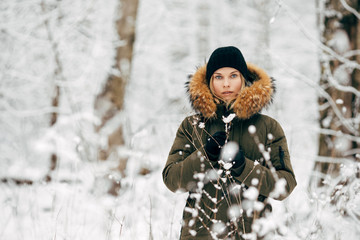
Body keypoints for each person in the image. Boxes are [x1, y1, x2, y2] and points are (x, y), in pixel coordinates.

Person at [162, 46, 296, 239]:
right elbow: (172, 181)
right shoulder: (192, 126)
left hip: (252, 234)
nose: (226, 84)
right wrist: (204, 156)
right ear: (209, 82)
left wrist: (245, 167)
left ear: (244, 79)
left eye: (233, 76)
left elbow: (284, 186)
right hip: (200, 235)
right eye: (218, 77)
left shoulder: (268, 127)